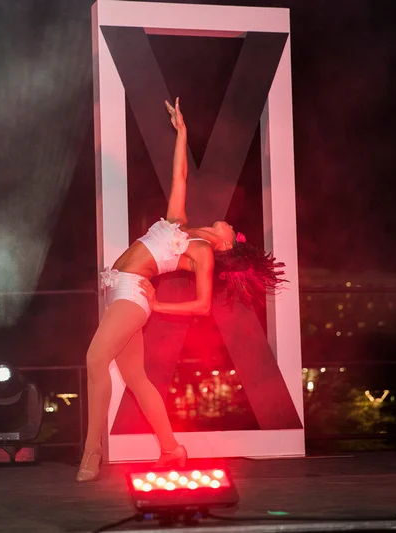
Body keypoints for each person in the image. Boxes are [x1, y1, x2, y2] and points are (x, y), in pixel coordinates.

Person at [76, 98, 285, 482]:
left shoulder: (202, 253)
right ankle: (172, 449)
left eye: (232, 231)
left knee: (93, 360)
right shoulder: (178, 224)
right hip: (117, 291)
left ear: (226, 246)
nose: (229, 224)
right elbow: (180, 177)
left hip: (133, 296)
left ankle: (92, 452)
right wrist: (182, 133)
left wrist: (157, 306)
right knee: (136, 379)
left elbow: (203, 306)